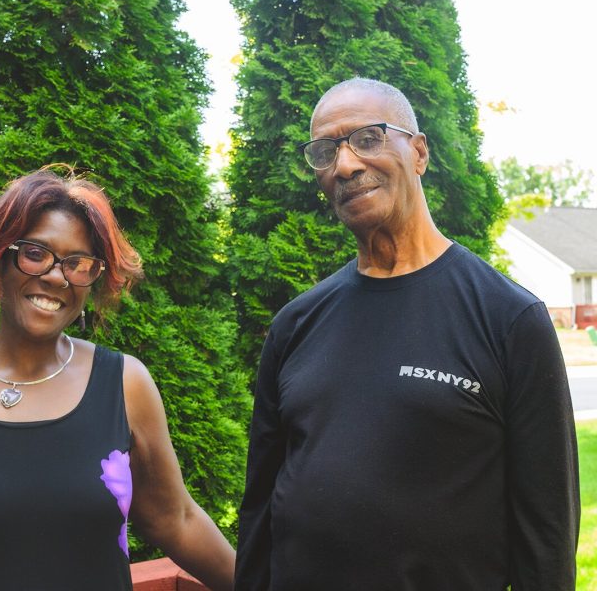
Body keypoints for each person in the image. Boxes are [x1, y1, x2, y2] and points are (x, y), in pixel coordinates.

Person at [235, 78, 579, 590]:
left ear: (418, 153)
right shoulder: (295, 325)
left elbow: (546, 539)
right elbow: (259, 511)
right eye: (326, 151)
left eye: (368, 139)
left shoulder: (508, 319)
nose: (345, 165)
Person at [0, 165, 235, 590]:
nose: (56, 276)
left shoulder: (124, 385)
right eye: (35, 253)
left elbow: (176, 518)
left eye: (78, 263)